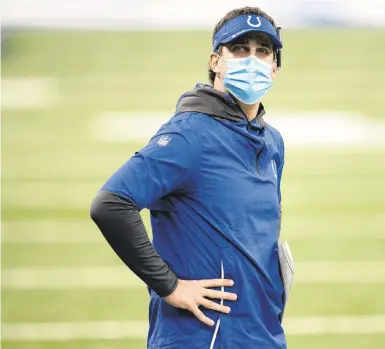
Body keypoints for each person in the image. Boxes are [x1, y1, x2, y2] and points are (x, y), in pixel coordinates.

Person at [90, 6, 287, 349]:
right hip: (203, 337)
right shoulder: (189, 136)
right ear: (216, 62)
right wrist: (169, 286)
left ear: (275, 66)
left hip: (261, 335)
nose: (252, 60)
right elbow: (110, 204)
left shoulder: (272, 142)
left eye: (263, 51)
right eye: (240, 49)